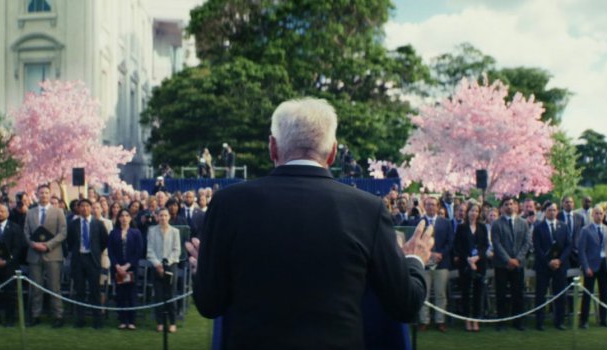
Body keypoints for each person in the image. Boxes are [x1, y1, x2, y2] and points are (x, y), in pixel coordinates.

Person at [189, 97, 431, 349]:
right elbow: (405, 306)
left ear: (272, 147)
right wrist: (415, 260)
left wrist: (203, 271)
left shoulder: (229, 204)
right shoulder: (368, 209)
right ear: (333, 152)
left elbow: (209, 304)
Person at [23, 184, 68, 328]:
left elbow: (63, 233)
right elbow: (26, 232)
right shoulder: (30, 212)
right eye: (41, 193)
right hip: (34, 255)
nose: (44, 195)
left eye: (46, 193)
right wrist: (33, 244)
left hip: (53, 254)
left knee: (54, 287)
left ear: (50, 195)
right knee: (35, 287)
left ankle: (58, 316)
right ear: (37, 194)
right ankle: (36, 315)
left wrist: (47, 245)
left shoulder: (58, 212)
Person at [67, 199, 109, 329]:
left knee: (94, 291)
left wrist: (95, 252)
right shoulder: (73, 224)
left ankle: (97, 320)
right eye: (82, 206)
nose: (84, 209)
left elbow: (104, 241)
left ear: (91, 208)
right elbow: (70, 242)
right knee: (79, 291)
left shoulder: (98, 224)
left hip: (92, 260)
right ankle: (80, 319)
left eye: (87, 206)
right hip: (78, 260)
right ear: (78, 209)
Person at [491, 196, 531, 331]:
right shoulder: (496, 224)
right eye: (506, 204)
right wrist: (508, 260)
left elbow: (527, 243)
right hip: (502, 265)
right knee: (501, 294)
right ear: (502, 208)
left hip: (518, 265)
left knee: (518, 294)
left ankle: (518, 322)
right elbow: (496, 244)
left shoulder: (523, 223)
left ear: (516, 206)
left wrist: (517, 260)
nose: (509, 206)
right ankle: (501, 322)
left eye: (511, 204)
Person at [532, 202, 571, 331]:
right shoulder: (538, 227)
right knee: (541, 295)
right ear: (545, 212)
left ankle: (559, 321)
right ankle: (540, 322)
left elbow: (568, 246)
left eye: (554, 210)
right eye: (549, 210)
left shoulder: (564, 226)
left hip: (560, 267)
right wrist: (548, 262)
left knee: (560, 294)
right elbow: (537, 248)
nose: (552, 212)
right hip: (544, 267)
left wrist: (559, 261)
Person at [418, 197, 454, 332]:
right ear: (424, 206)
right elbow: (416, 240)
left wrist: (440, 254)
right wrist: (429, 254)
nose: (430, 207)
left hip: (441, 263)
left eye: (433, 205)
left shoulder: (446, 222)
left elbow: (450, 242)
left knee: (440, 294)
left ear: (438, 207)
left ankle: (440, 321)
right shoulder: (419, 222)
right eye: (428, 205)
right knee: (424, 294)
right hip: (424, 263)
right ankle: (424, 321)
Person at [578, 206, 607, 329]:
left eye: (601, 213)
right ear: (592, 215)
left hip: (605, 267)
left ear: (604, 215)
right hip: (590, 267)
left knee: (604, 295)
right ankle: (583, 321)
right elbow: (582, 251)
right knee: (587, 295)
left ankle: (604, 319)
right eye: (596, 213)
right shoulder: (585, 230)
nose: (599, 216)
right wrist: (586, 267)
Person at [453, 202, 489, 332]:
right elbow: (457, 246)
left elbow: (485, 245)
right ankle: (467, 319)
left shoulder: (483, 227)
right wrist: (468, 259)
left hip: (480, 263)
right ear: (467, 212)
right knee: (466, 292)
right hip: (465, 264)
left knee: (478, 292)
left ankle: (476, 319)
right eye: (471, 210)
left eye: (476, 211)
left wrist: (477, 257)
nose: (474, 213)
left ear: (479, 213)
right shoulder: (461, 227)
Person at [108, 209, 145, 330]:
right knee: (120, 295)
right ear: (118, 218)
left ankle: (132, 320)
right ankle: (123, 320)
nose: (124, 218)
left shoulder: (136, 232)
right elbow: (110, 251)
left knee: (131, 295)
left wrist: (127, 265)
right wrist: (117, 266)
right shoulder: (113, 233)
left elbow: (139, 251)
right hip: (118, 269)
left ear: (130, 218)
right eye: (122, 216)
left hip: (131, 269)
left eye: (126, 216)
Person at [147, 208, 182, 333]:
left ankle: (172, 322)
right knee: (159, 295)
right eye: (161, 215)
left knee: (171, 295)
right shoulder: (152, 231)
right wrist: (158, 264)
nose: (163, 218)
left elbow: (177, 250)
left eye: (165, 215)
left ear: (169, 217)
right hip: (156, 266)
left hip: (171, 265)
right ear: (157, 217)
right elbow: (149, 250)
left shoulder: (175, 231)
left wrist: (167, 262)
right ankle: (160, 322)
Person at [559, 196, 586, 268]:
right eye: (566, 202)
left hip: (575, 252)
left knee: (575, 276)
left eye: (571, 202)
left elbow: (583, 235)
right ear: (562, 204)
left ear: (573, 204)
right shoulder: (557, 217)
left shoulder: (580, 217)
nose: (569, 204)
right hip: (561, 252)